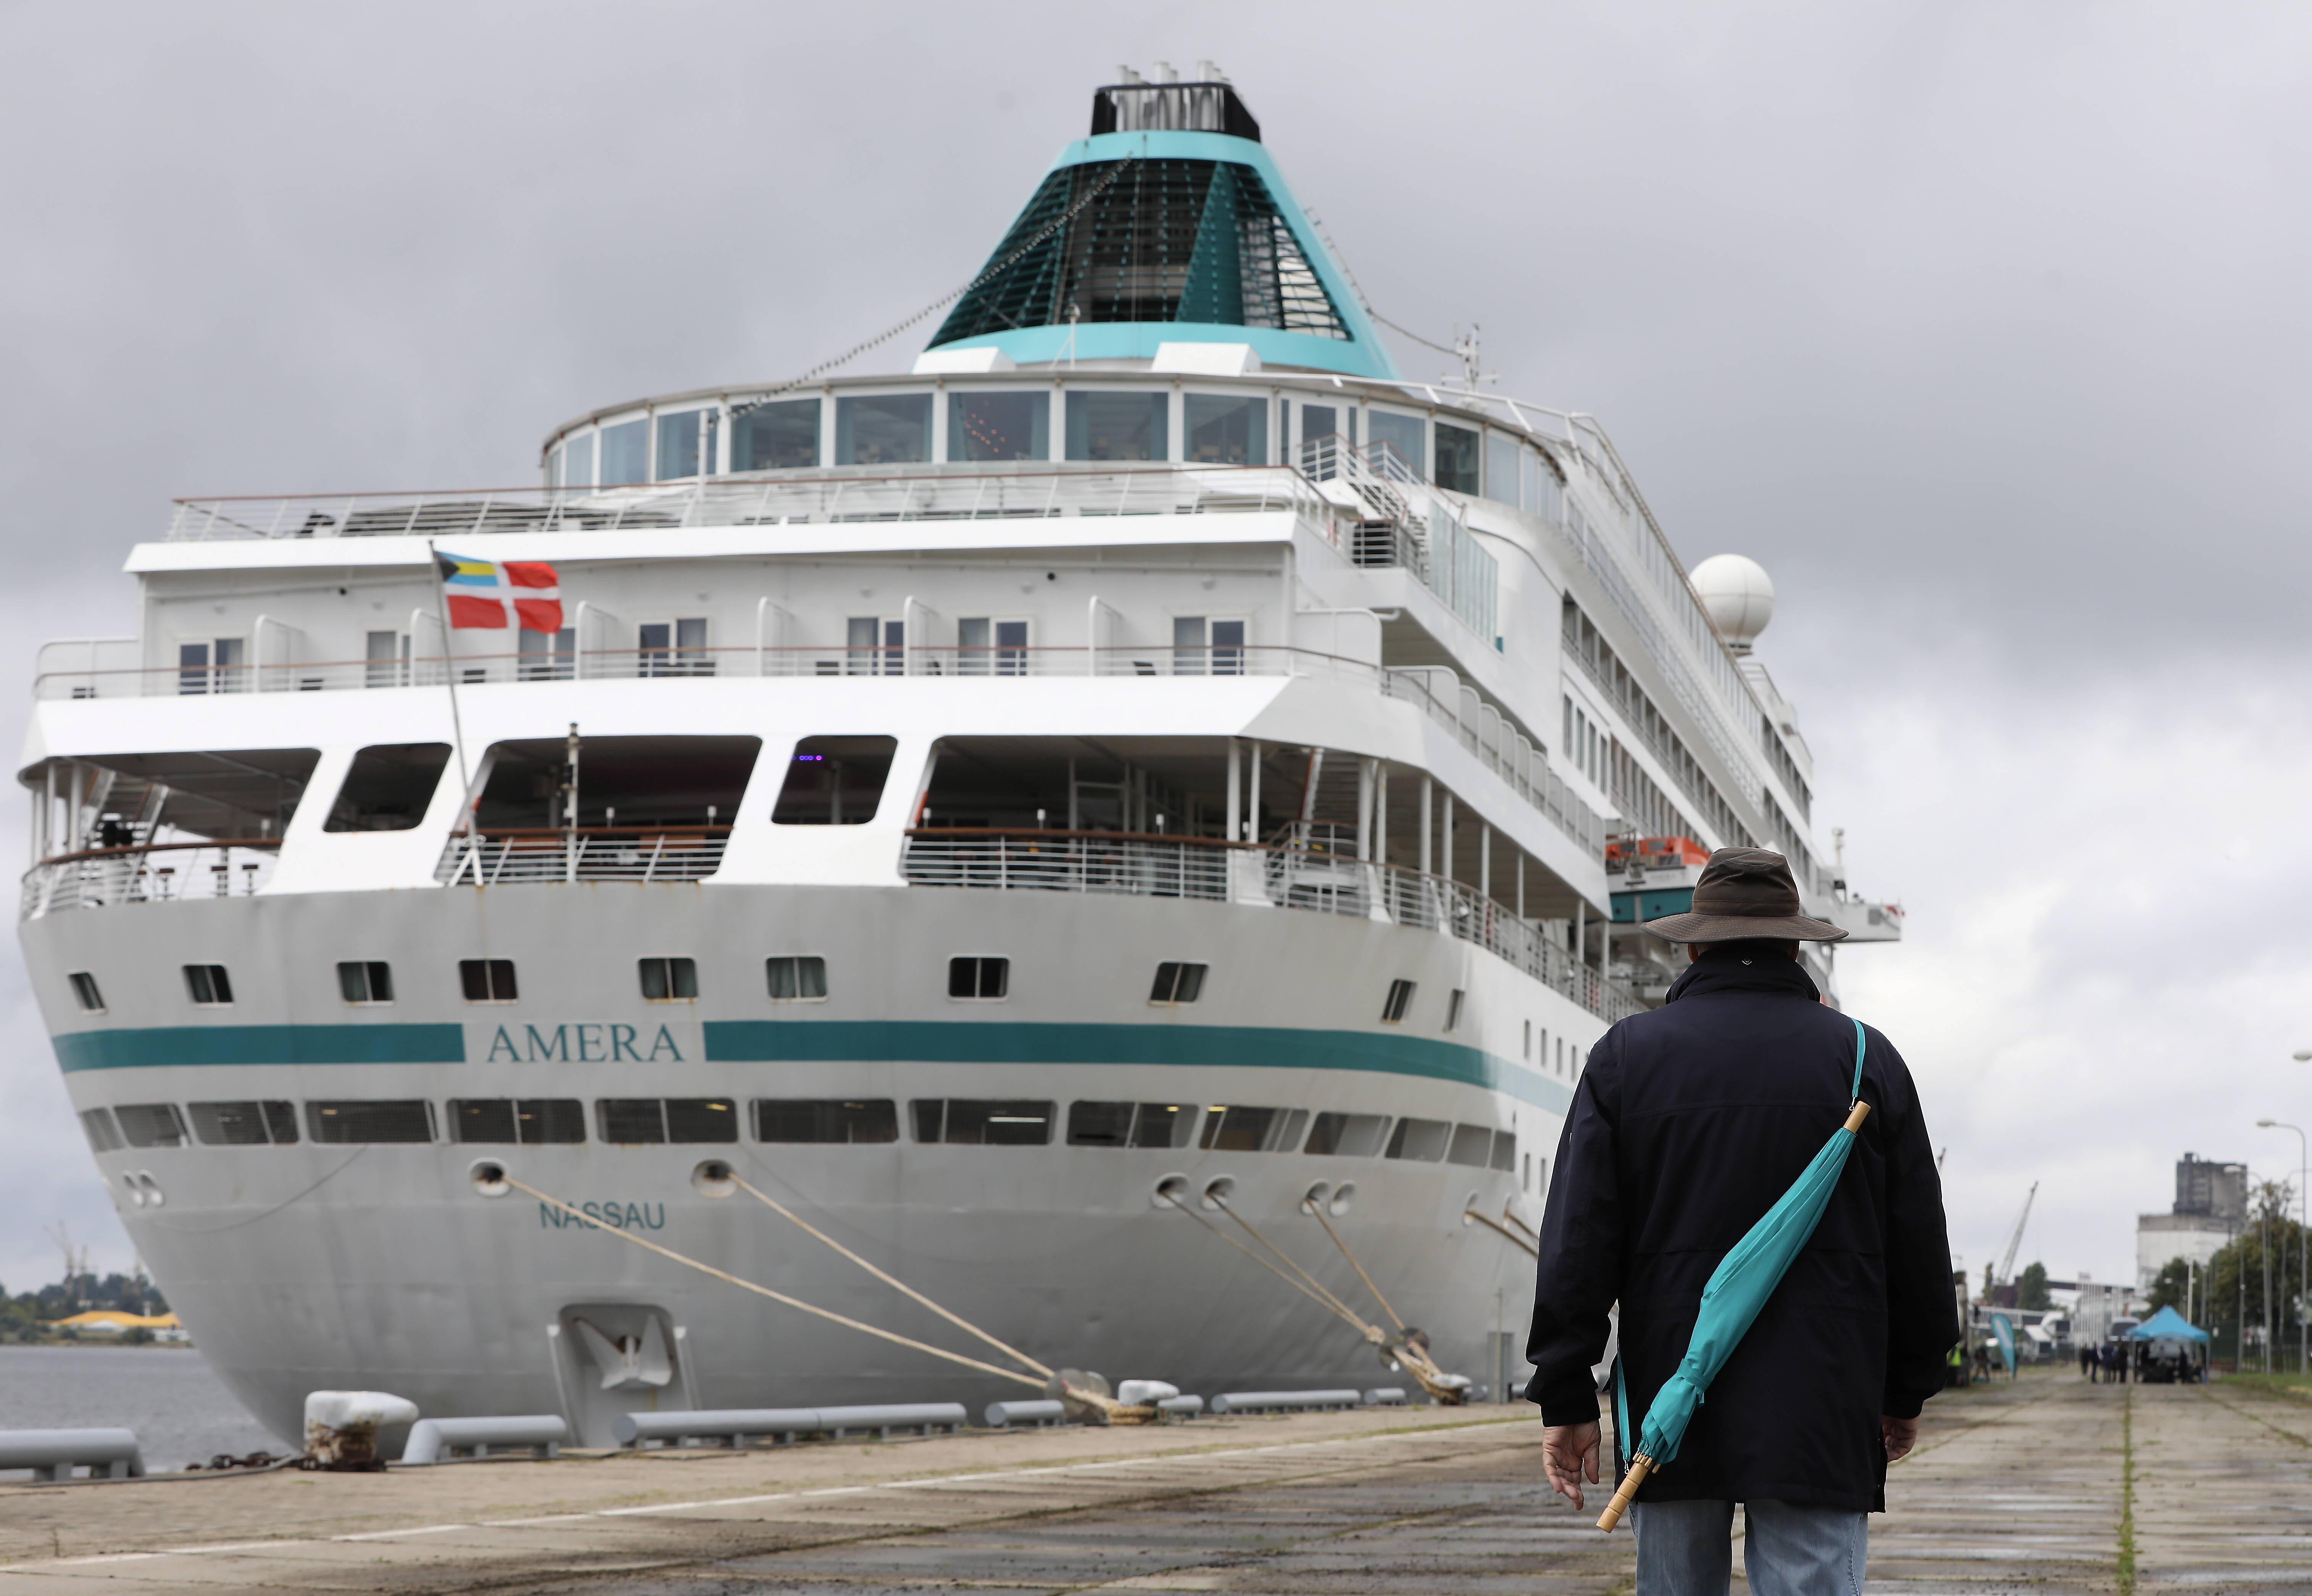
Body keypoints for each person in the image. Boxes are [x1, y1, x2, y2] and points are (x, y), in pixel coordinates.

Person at [1525, 847, 1956, 1596]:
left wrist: (1565, 1393)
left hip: (1670, 1394)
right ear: (1796, 944)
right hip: (1821, 1400)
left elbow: (1578, 1241)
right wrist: (1903, 1390)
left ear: (1693, 944)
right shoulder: (1864, 1058)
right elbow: (1916, 1249)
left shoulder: (1625, 1057)